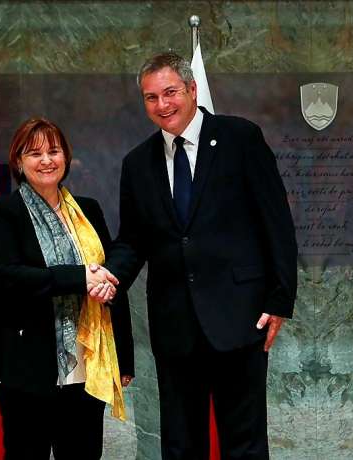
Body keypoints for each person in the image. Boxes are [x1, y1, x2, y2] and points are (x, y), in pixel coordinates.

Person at [97, 52, 297, 459]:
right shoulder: (138, 163)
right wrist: (109, 276)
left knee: (244, 444)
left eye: (170, 92)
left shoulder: (241, 138)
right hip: (175, 327)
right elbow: (133, 240)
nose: (162, 105)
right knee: (180, 445)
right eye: (151, 98)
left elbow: (275, 221)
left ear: (191, 90)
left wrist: (280, 299)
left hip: (239, 316)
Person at [0, 117, 134, 459]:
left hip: (88, 363)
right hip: (26, 366)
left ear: (66, 157)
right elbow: (7, 276)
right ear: (18, 161)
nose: (46, 160)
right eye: (34, 153)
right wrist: (80, 279)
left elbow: (107, 277)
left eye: (54, 150)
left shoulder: (87, 210)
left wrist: (123, 358)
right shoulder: (5, 212)